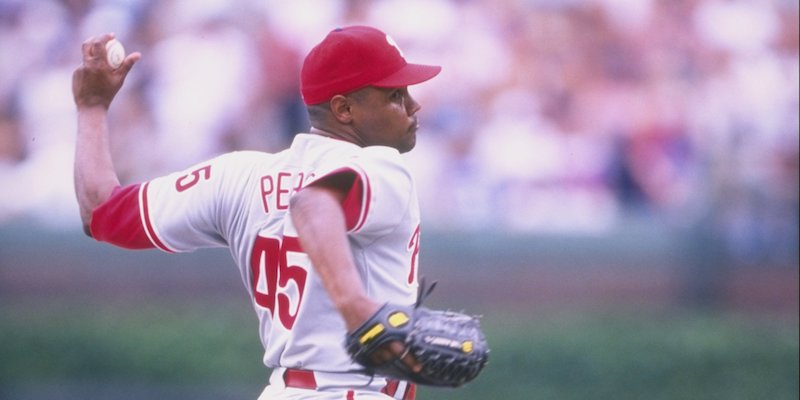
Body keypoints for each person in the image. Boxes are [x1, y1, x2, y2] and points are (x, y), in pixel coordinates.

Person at [72, 26, 441, 400]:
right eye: (395, 94)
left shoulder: (240, 176)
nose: (413, 105)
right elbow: (313, 204)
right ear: (344, 109)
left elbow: (100, 211)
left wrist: (92, 108)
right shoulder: (382, 168)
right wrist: (355, 306)